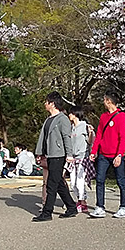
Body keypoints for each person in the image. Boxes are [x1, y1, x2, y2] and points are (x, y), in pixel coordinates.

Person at [34, 92, 77, 222]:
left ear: (52, 103)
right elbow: (43, 137)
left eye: (46, 102)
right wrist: (40, 153)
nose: (45, 104)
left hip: (59, 155)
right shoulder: (48, 119)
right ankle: (71, 207)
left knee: (51, 184)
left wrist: (69, 154)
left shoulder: (62, 119)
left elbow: (66, 137)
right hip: (50, 154)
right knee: (58, 183)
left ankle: (47, 212)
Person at [89, 90, 125, 219]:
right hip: (103, 154)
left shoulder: (121, 116)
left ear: (109, 101)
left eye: (105, 100)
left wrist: (119, 155)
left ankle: (123, 207)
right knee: (100, 180)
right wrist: (94, 151)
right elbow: (99, 134)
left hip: (116, 154)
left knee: (121, 181)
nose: (103, 102)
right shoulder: (103, 117)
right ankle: (100, 207)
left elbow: (123, 137)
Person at [68, 105, 92, 213]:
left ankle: (83, 202)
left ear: (75, 114)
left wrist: (91, 133)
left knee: (80, 181)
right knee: (72, 183)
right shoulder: (71, 127)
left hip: (82, 157)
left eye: (71, 113)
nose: (69, 115)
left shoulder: (84, 126)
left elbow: (90, 141)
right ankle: (79, 199)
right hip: (73, 158)